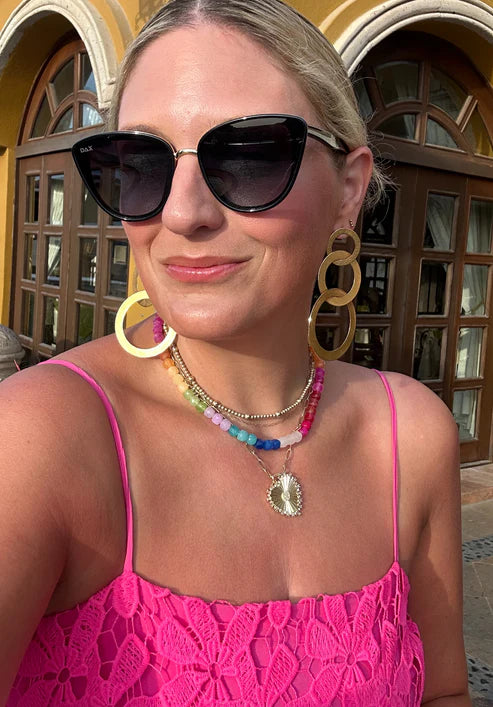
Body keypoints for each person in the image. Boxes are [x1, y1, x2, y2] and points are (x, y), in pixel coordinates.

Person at [1, 0, 470, 704]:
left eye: (248, 157)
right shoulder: (40, 438)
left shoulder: (410, 436)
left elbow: (443, 690)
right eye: (140, 164)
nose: (182, 213)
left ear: (349, 188)